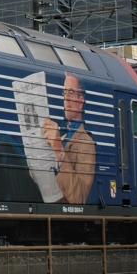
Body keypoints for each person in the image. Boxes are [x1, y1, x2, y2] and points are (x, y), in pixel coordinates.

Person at [41, 74, 97, 204]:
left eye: (71, 92)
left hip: (59, 204)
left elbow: (79, 198)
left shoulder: (87, 142)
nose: (66, 98)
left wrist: (58, 151)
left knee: (4, 146)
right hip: (45, 197)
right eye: (64, 93)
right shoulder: (62, 137)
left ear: (81, 101)